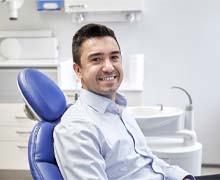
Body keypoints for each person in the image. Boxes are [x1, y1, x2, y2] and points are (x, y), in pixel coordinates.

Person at [53, 23, 195, 180]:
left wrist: (182, 177)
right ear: (78, 70)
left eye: (114, 57)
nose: (108, 67)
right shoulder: (76, 128)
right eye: (96, 59)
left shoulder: (120, 110)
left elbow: (147, 160)